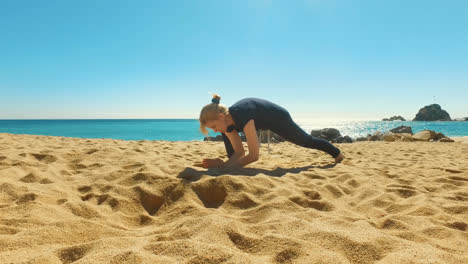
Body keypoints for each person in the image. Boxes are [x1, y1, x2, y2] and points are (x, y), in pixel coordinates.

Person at [199, 94, 344, 168]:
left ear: (220, 116)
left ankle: (337, 154)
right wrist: (225, 166)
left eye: (214, 127)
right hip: (258, 119)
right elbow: (240, 153)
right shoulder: (226, 123)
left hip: (277, 117)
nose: (216, 131)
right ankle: (227, 165)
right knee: (233, 156)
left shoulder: (243, 116)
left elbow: (254, 156)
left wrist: (222, 167)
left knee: (305, 141)